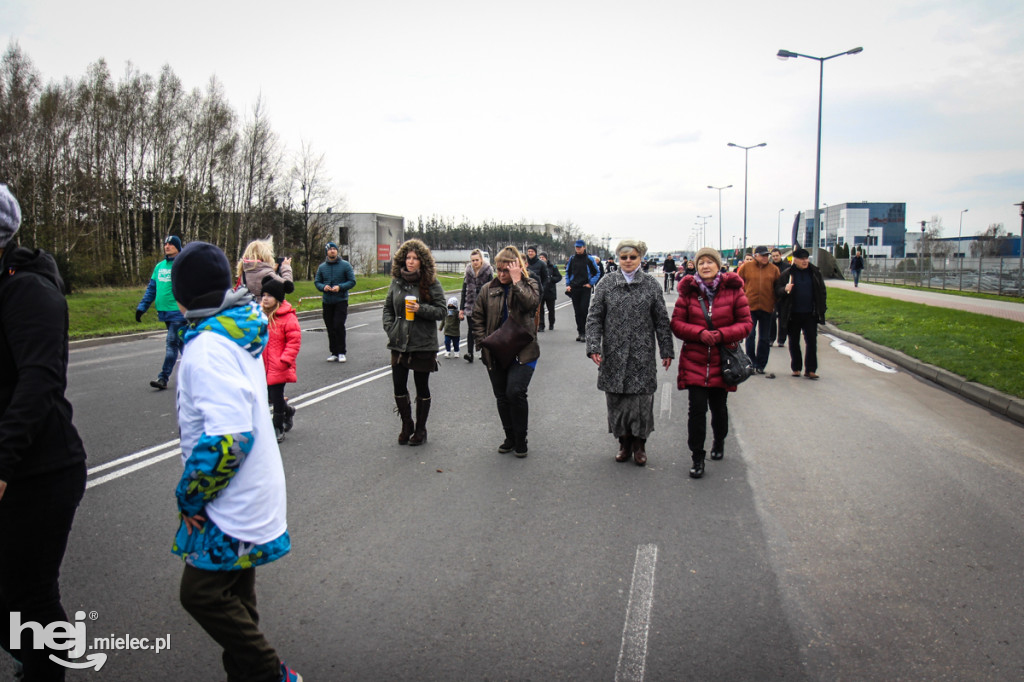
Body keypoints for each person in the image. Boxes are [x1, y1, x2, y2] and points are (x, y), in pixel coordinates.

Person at [168, 241, 301, 682]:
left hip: (231, 499)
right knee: (236, 593)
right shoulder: (235, 328)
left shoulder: (208, 346)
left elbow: (228, 440)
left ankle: (271, 674)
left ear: (182, 296)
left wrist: (189, 497)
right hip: (251, 488)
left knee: (202, 593)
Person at [0, 185, 88, 682]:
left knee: (29, 596)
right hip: (18, 464)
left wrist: (3, 462)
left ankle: (46, 665)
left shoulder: (28, 290)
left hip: (40, 471)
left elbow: (38, 381)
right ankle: (38, 658)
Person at [585, 240, 674, 466]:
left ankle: (640, 445)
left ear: (640, 259)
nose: (628, 261)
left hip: (641, 354)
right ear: (618, 259)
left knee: (642, 402)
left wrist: (666, 349)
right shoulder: (606, 284)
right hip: (613, 354)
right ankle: (624, 443)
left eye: (632, 257)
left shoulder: (651, 285)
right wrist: (594, 346)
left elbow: (662, 321)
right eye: (624, 257)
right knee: (617, 401)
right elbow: (594, 318)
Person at [671, 247, 752, 479]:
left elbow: (746, 323)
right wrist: (699, 333)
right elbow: (676, 324)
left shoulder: (734, 292)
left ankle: (719, 440)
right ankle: (697, 457)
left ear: (719, 265)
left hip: (722, 362)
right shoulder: (688, 293)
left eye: (710, 262)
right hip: (695, 361)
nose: (705, 266)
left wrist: (721, 334)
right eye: (701, 263)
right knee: (696, 411)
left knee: (719, 408)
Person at [472, 246, 540, 458]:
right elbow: (477, 318)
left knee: (515, 392)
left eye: (506, 270)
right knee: (501, 396)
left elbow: (532, 303)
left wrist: (517, 281)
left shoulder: (529, 284)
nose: (501, 274)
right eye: (498, 269)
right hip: (496, 351)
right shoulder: (487, 289)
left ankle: (521, 438)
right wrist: (485, 342)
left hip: (523, 351)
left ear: (516, 267)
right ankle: (509, 437)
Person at [383, 239, 446, 446]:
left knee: (422, 387)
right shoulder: (396, 282)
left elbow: (442, 311)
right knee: (399, 386)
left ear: (422, 261)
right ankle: (407, 424)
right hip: (399, 342)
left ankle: (420, 429)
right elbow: (388, 309)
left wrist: (421, 309)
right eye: (408, 258)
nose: (411, 262)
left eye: (415, 258)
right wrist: (390, 328)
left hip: (422, 343)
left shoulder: (431, 283)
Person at [136, 235, 187, 390]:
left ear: (178, 247)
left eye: (171, 244)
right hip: (164, 312)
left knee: (171, 343)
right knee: (183, 346)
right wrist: (142, 308)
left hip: (178, 312)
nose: (167, 246)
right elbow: (152, 289)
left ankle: (163, 378)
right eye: (166, 244)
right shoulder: (159, 267)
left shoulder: (182, 266)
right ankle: (201, 373)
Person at [776, 248, 828, 380]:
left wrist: (821, 307)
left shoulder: (815, 273)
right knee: (794, 341)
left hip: (810, 313)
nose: (805, 261)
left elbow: (822, 290)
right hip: (793, 314)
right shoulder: (787, 274)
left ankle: (810, 369)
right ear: (795, 260)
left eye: (806, 258)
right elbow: (777, 291)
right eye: (802, 259)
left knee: (811, 341)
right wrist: (784, 289)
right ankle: (796, 368)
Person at [261, 275, 301, 442]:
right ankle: (288, 411)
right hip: (262, 365)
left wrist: (285, 359)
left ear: (277, 298)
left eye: (269, 296)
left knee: (276, 396)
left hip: (279, 364)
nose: (265, 299)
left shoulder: (287, 318)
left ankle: (277, 426)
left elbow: (294, 341)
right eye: (263, 295)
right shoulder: (259, 316)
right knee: (268, 395)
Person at [736, 245, 780, 376]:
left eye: (767, 255)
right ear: (756, 256)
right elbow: (738, 284)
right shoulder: (746, 268)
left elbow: (777, 288)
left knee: (764, 338)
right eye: (763, 255)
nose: (766, 257)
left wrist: (775, 302)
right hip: (750, 307)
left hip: (767, 307)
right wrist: (742, 298)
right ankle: (750, 362)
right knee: (750, 335)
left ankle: (761, 364)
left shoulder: (774, 270)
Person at [315, 241, 357, 363]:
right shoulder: (322, 267)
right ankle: (334, 352)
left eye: (334, 249)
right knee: (330, 327)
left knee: (338, 325)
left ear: (337, 251)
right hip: (327, 301)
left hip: (341, 300)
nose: (332, 251)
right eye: (330, 249)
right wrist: (323, 287)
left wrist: (340, 287)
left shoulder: (345, 265)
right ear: (327, 252)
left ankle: (342, 352)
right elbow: (317, 282)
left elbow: (352, 281)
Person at [459, 249, 493, 363]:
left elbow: (492, 288)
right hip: (470, 305)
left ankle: (485, 353)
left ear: (481, 260)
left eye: (477, 260)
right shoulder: (468, 271)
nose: (475, 262)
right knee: (471, 330)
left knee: (483, 329)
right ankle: (470, 353)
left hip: (484, 305)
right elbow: (464, 290)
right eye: (473, 260)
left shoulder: (488, 271)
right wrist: (461, 309)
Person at [564, 239, 600, 342]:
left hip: (585, 288)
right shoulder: (572, 259)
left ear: (584, 247)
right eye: (576, 247)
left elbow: (597, 272)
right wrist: (568, 284)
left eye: (580, 247)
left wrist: (590, 283)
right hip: (575, 287)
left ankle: (585, 332)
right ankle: (580, 332)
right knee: (577, 311)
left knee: (584, 310)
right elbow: (568, 272)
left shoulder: (589, 259)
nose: (578, 249)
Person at [769, 248, 791, 348]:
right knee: (772, 318)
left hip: (784, 296)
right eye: (773, 256)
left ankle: (781, 339)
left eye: (777, 256)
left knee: (783, 319)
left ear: (780, 255)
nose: (775, 258)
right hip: (772, 296)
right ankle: (771, 339)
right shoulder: (769, 267)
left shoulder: (787, 267)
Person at [524, 246, 549, 328]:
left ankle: (539, 326)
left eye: (532, 251)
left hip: (537, 290)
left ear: (535, 253)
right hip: (526, 290)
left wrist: (543, 288)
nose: (530, 253)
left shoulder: (541, 264)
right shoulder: (525, 262)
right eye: (529, 251)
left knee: (537, 311)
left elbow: (545, 278)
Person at [537, 252, 562, 331]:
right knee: (540, 310)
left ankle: (551, 323)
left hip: (550, 291)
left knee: (551, 309)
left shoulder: (552, 267)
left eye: (543, 257)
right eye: (540, 257)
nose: (541, 259)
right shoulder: (538, 266)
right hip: (541, 290)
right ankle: (541, 325)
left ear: (546, 258)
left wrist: (551, 279)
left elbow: (559, 277)